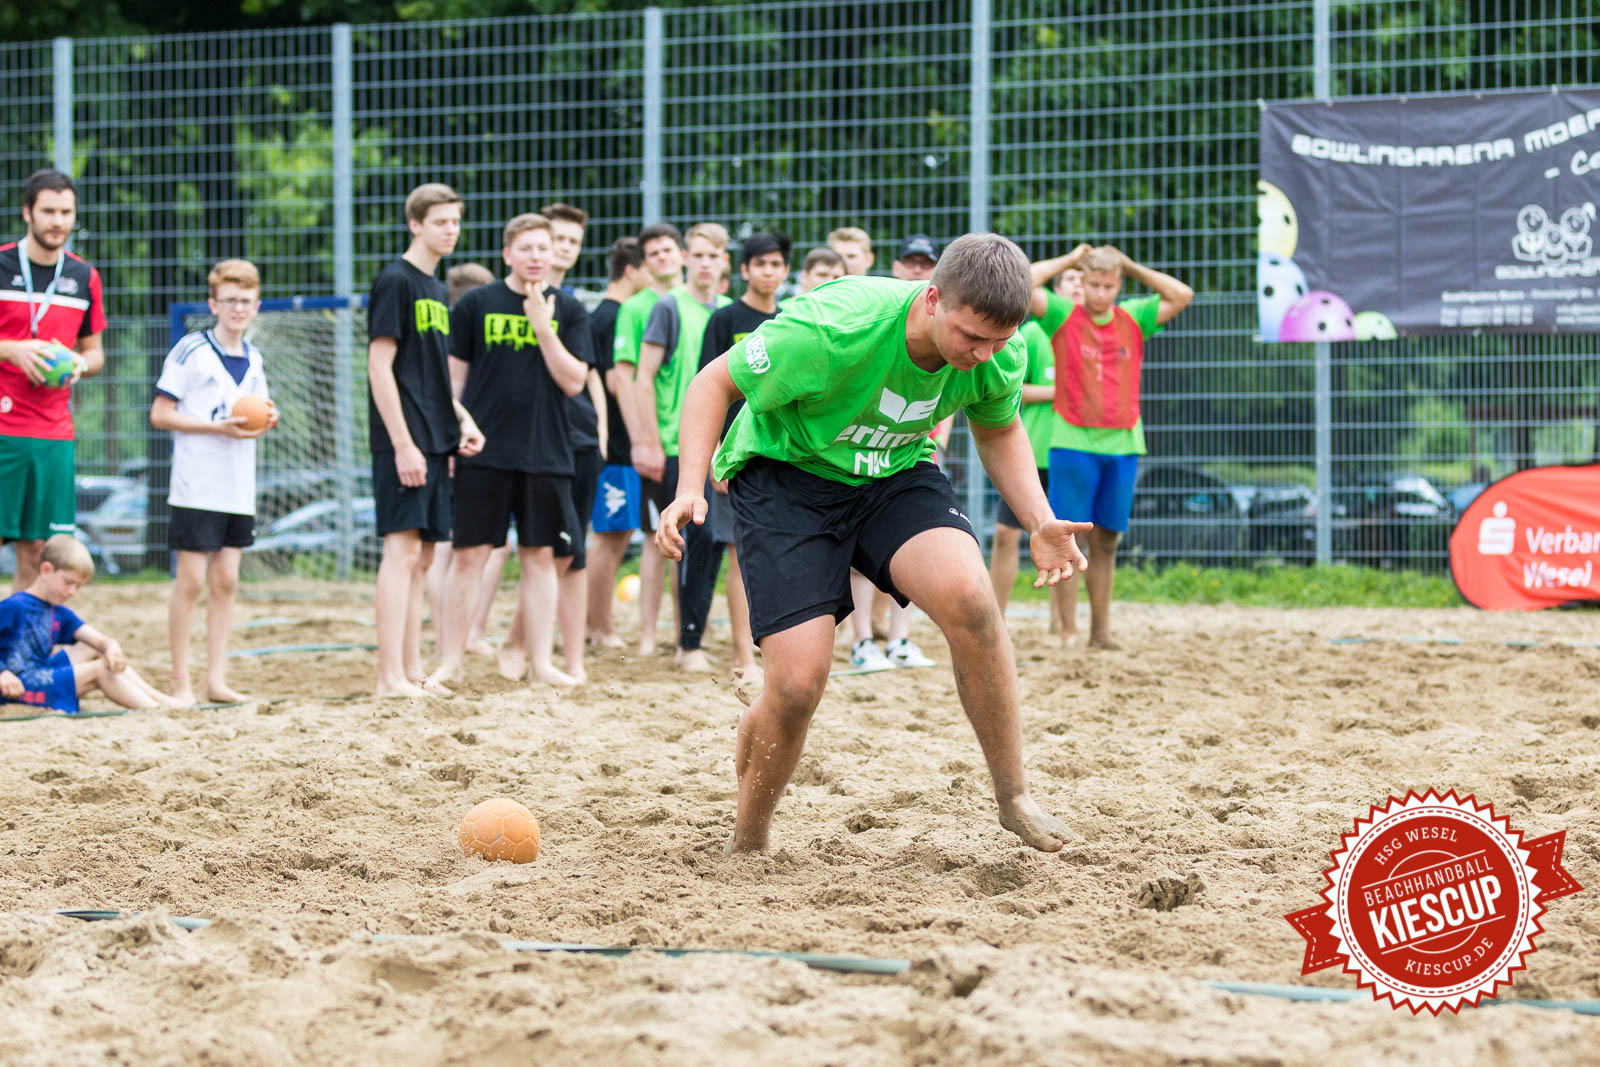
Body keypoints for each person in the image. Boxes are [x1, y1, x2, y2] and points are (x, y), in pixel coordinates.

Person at [658, 233, 1089, 855]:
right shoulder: (833, 328)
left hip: (894, 471)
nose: (983, 354)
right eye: (972, 337)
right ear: (933, 299)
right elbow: (710, 384)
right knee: (797, 686)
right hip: (787, 477)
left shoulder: (1000, 350)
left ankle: (1015, 798)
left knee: (972, 601)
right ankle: (749, 840)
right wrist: (687, 489)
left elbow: (999, 430)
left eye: (999, 341)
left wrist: (1039, 520)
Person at [436, 213, 592, 689]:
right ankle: (450, 663)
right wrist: (451, 437)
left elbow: (574, 381)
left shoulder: (569, 308)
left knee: (540, 556)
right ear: (507, 253)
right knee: (469, 556)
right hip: (483, 452)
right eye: (525, 248)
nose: (535, 256)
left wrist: (543, 327)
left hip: (546, 452)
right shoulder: (476, 304)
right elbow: (453, 381)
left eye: (543, 248)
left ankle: (541, 664)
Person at [1031, 243, 1193, 649]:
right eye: (1094, 285)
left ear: (1118, 285)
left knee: (1107, 542)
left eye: (1109, 286)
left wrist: (1131, 265)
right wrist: (1071, 260)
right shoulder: (1062, 314)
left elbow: (1182, 294)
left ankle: (1100, 633)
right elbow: (1021, 282)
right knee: (1068, 539)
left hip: (1123, 443)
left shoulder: (1133, 317)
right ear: (1082, 283)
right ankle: (1068, 632)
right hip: (1072, 441)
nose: (1101, 293)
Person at [367, 183, 485, 699]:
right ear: (415, 224)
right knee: (400, 552)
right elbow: (379, 367)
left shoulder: (436, 290)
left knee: (423, 557)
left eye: (455, 221)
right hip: (406, 441)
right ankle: (388, 677)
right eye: (440, 221)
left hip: (437, 439)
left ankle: (412, 672)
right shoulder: (395, 281)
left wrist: (462, 419)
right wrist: (402, 444)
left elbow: (432, 374)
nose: (450, 230)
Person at [150, 258, 277, 706]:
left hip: (238, 487)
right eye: (230, 300)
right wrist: (215, 427)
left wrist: (268, 418)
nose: (238, 308)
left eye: (246, 301)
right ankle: (180, 680)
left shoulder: (255, 358)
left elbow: (256, 413)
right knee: (191, 582)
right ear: (213, 303)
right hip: (197, 484)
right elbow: (160, 413)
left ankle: (216, 680)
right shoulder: (191, 350)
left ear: (256, 306)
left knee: (226, 580)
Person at [677, 232, 790, 680]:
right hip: (734, 454)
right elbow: (707, 388)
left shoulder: (790, 320)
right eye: (760, 263)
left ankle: (771, 654)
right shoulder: (725, 319)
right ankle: (742, 656)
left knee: (772, 557)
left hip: (778, 453)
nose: (768, 271)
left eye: (776, 264)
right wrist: (715, 455)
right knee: (737, 555)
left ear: (785, 271)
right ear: (744, 270)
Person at [0, 169, 107, 592]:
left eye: (66, 212)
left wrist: (79, 364)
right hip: (3, 427)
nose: (58, 221)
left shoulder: (84, 277)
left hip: (52, 433)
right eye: (48, 211)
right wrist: (12, 350)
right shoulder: (1, 264)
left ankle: (18, 635)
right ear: (27, 212)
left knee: (39, 552)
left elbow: (95, 354)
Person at [845, 234, 946, 671]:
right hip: (868, 445)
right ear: (896, 266)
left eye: (926, 263)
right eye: (911, 261)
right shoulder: (878, 317)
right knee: (859, 552)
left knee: (912, 544)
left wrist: (940, 437)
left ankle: (900, 640)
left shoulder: (943, 322)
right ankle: (862, 642)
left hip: (916, 446)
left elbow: (951, 392)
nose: (917, 268)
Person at [1, 535, 176, 714]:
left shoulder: (58, 611)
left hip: (39, 672)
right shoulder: (14, 606)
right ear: (46, 570)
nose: (72, 592)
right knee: (99, 670)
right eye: (68, 582)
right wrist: (3, 672)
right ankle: (155, 710)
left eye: (78, 586)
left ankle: (160, 700)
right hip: (16, 687)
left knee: (95, 649)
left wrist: (111, 647)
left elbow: (99, 641)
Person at [424, 263, 496, 654]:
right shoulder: (462, 332)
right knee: (451, 547)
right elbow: (452, 388)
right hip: (466, 444)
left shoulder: (447, 328)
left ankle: (454, 635)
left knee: (447, 548)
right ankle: (461, 635)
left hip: (462, 442)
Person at [586, 237, 648, 648]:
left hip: (618, 444)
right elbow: (613, 382)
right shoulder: (613, 317)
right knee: (610, 538)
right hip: (616, 446)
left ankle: (593, 625)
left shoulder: (608, 314)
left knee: (617, 535)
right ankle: (598, 628)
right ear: (631, 270)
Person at [541, 203, 587, 292]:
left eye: (573, 242)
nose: (566, 248)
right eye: (559, 238)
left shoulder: (570, 297)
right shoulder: (518, 291)